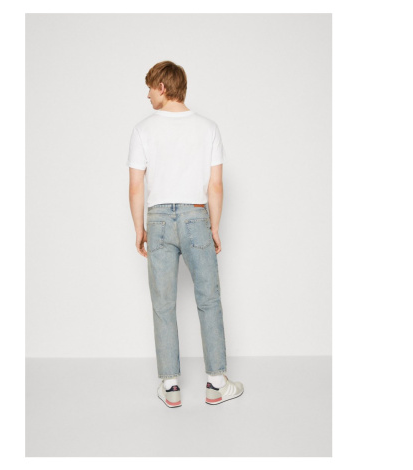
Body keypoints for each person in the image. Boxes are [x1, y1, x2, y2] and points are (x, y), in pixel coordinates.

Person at [127, 60, 244, 407]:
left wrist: (139, 229)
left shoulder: (143, 130)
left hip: (159, 221)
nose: (148, 95)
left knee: (163, 304)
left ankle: (170, 386)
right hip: (196, 218)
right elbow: (215, 185)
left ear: (163, 87)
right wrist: (214, 227)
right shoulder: (208, 128)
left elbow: (136, 186)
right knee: (209, 300)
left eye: (150, 87)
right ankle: (216, 384)